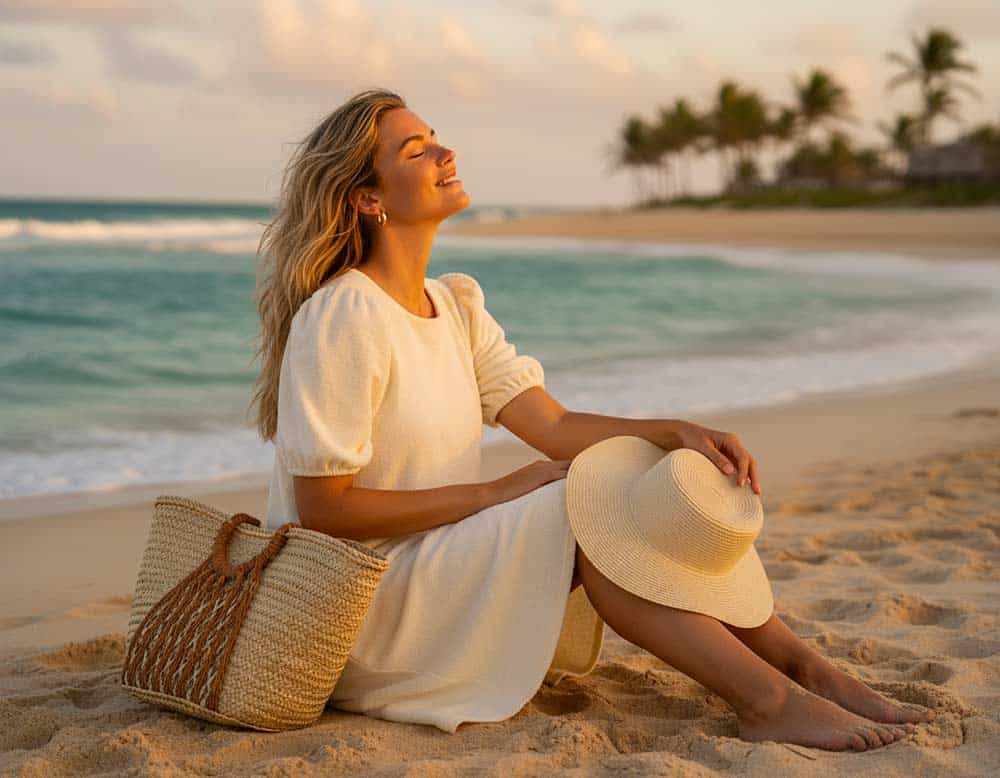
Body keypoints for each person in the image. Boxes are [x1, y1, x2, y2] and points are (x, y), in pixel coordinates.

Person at [249, 88, 934, 750]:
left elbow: (552, 427)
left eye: (436, 140)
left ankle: (807, 671)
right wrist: (495, 492)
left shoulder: (452, 306)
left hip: (437, 568)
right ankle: (769, 703)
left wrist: (673, 434)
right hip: (359, 605)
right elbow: (323, 511)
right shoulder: (344, 315)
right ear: (368, 199)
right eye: (416, 151)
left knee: (627, 476)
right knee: (583, 504)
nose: (445, 154)